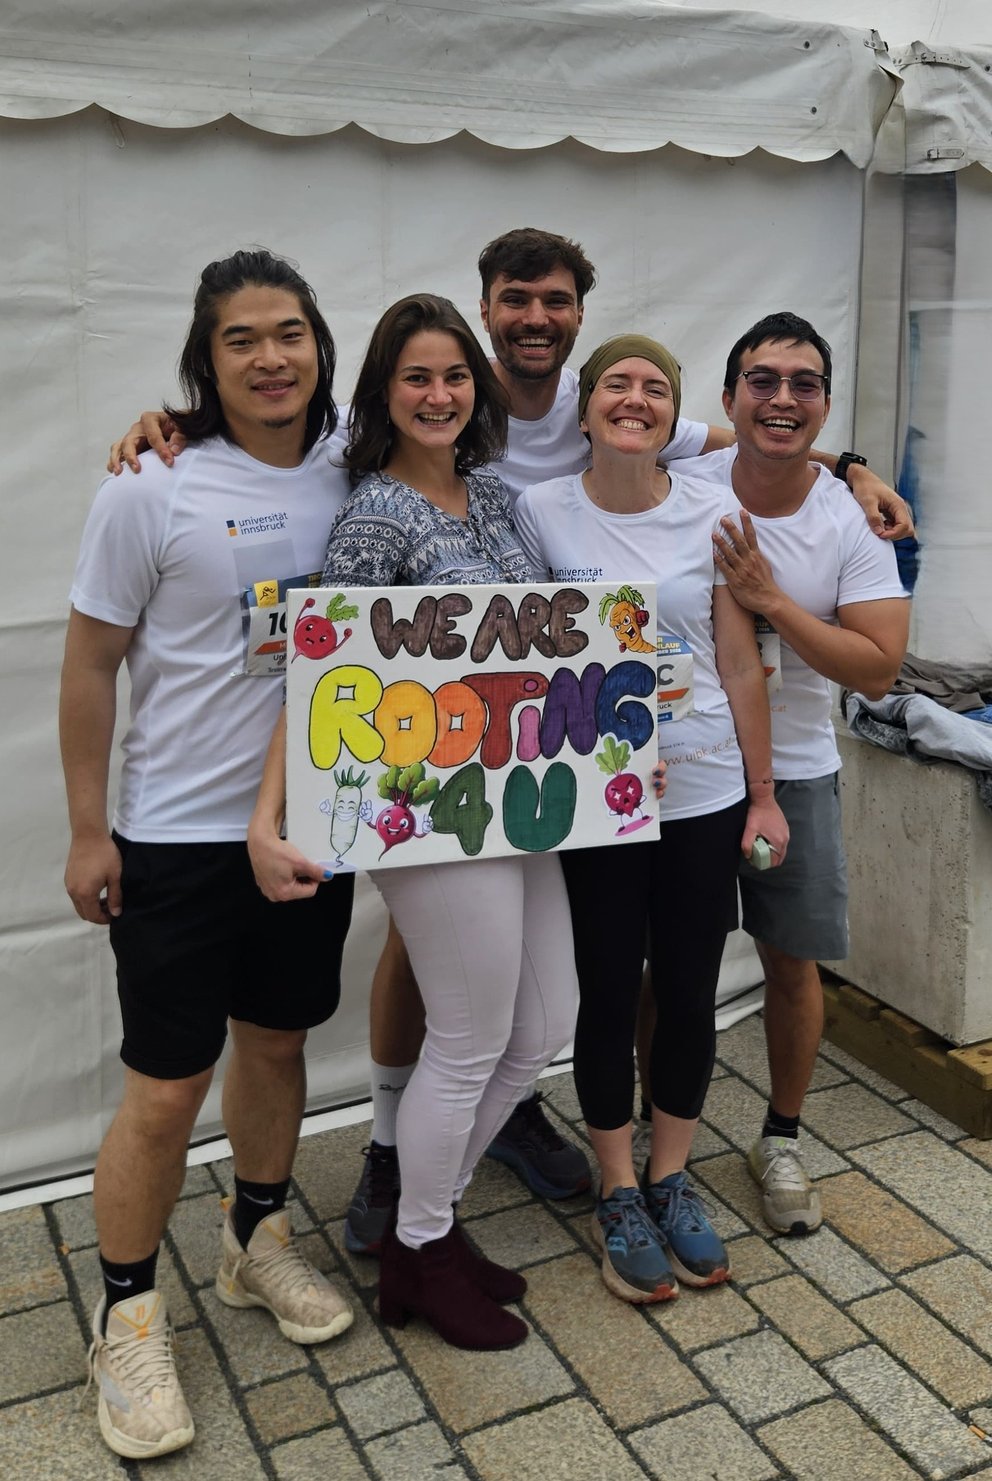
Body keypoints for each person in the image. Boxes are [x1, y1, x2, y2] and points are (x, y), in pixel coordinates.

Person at [105, 231, 916, 1237]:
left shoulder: (563, 454)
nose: (534, 319)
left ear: (576, 317)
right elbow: (305, 520)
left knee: (569, 997)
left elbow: (756, 432)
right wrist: (178, 423)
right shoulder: (409, 424)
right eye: (514, 300)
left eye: (556, 301)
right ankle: (394, 1157)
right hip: (437, 781)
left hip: (574, 777)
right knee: (457, 979)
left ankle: (529, 1150)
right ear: (487, 308)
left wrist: (850, 463)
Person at [59, 249, 356, 1461]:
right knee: (167, 1082)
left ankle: (255, 1242)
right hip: (175, 835)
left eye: (290, 332)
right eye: (242, 339)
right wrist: (88, 826)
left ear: (321, 345)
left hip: (303, 827)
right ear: (206, 357)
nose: (271, 356)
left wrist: (838, 467)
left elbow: (560, 422)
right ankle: (127, 1312)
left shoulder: (361, 462)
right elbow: (86, 665)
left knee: (278, 1041)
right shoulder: (151, 486)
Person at [248, 293, 579, 1350]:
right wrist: (272, 812)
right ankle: (418, 1246)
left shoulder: (494, 494)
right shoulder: (372, 515)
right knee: (474, 1034)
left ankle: (430, 1229)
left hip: (520, 799)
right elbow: (319, 674)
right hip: (425, 819)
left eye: (453, 376)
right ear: (383, 394)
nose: (439, 395)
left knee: (539, 1027)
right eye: (416, 377)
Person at [513, 335, 788, 1303]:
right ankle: (617, 1188)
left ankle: (669, 1173)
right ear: (584, 410)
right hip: (597, 799)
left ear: (673, 419)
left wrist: (760, 790)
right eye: (617, 385)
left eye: (655, 388)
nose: (635, 399)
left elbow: (738, 657)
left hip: (705, 788)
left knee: (685, 983)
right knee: (602, 983)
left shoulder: (714, 509)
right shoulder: (536, 510)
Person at [704, 312, 910, 1235]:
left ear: (825, 404)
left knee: (792, 966)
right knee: (666, 969)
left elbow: (876, 666)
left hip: (798, 775)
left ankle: (780, 1136)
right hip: (688, 774)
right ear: (729, 396)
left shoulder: (848, 520)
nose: (782, 399)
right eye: (762, 379)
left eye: (804, 384)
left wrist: (771, 600)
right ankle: (652, 1133)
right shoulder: (683, 484)